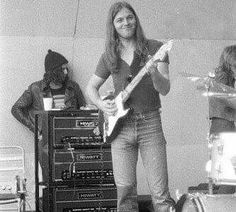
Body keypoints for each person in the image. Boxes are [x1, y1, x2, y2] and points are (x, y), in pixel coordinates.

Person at [86, 1, 175, 211]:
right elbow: (91, 87)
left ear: (136, 19)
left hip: (150, 124)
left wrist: (153, 72)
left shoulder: (155, 48)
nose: (126, 23)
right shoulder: (110, 54)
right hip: (120, 128)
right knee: (125, 196)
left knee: (160, 194)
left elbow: (165, 89)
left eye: (130, 17)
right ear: (113, 25)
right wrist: (101, 104)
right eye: (120, 20)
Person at [11, 49, 86, 181]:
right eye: (63, 69)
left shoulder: (73, 87)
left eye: (66, 69)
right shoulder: (36, 88)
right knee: (49, 179)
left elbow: (83, 110)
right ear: (54, 71)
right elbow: (16, 108)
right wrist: (35, 129)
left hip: (69, 137)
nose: (66, 72)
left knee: (70, 178)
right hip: (46, 139)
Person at [209, 45, 236, 194]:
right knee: (229, 179)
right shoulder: (221, 78)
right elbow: (230, 100)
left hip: (223, 127)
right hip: (224, 127)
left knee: (229, 178)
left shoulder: (221, 77)